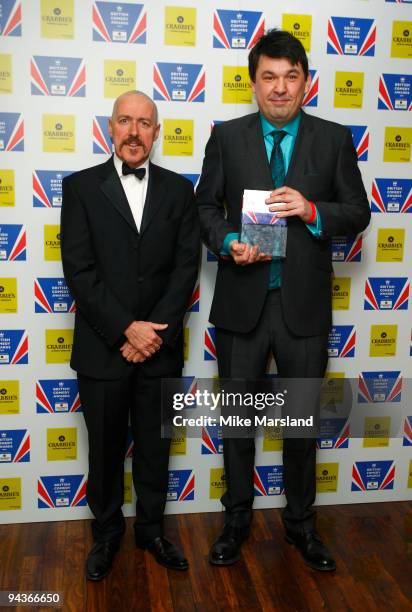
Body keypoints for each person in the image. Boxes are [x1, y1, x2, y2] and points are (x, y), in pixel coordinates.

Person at [196, 29, 370, 571]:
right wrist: (227, 241)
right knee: (238, 423)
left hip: (303, 309)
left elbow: (358, 212)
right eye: (268, 77)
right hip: (243, 305)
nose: (279, 88)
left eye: (290, 77)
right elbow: (204, 210)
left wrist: (313, 210)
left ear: (305, 83)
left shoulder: (334, 138)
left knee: (300, 424)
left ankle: (301, 526)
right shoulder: (226, 137)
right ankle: (236, 522)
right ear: (253, 84)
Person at [61, 91, 199, 580]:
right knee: (103, 451)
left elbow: (186, 268)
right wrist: (126, 328)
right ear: (110, 127)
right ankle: (106, 535)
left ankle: (153, 530)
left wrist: (151, 334)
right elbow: (79, 270)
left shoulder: (181, 192)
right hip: (103, 350)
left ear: (156, 133)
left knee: (156, 449)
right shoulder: (79, 188)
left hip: (159, 351)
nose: (134, 131)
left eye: (145, 123)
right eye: (126, 121)